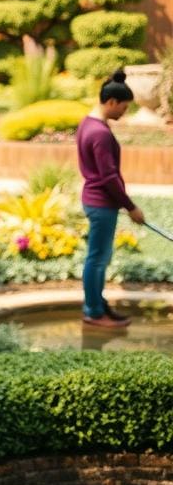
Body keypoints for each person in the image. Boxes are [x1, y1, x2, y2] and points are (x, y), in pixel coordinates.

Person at [76, 70, 145, 329]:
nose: (124, 113)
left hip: (97, 201)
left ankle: (98, 304)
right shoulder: (100, 133)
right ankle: (93, 311)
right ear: (112, 102)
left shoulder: (88, 123)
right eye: (124, 108)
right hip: (101, 203)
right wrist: (131, 207)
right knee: (97, 259)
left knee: (99, 258)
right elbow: (108, 177)